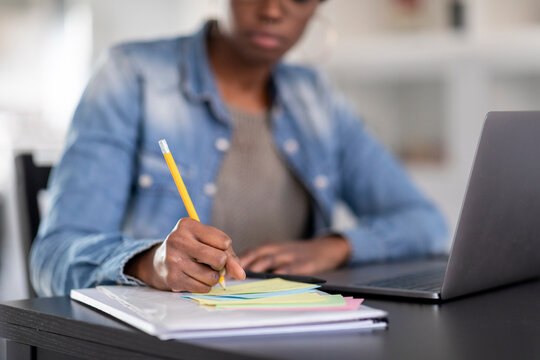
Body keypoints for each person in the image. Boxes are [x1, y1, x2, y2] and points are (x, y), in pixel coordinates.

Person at [30, 0, 447, 297]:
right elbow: (52, 257)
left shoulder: (317, 99)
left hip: (289, 332)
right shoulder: (130, 76)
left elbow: (426, 223)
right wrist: (150, 262)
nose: (272, 10)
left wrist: (335, 246)